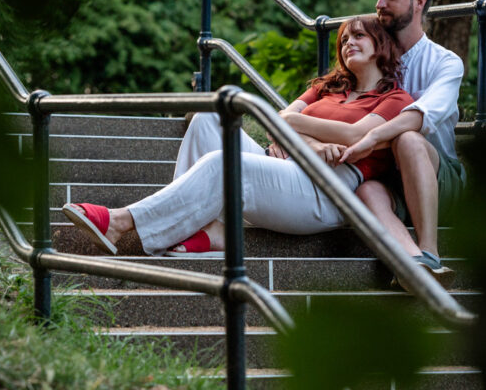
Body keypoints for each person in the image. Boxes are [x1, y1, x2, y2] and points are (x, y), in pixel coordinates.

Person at [62, 16, 413, 257]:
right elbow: (279, 120)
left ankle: (122, 221)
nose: (349, 42)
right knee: (206, 118)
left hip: (330, 191)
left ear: (381, 43)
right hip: (291, 164)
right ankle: (201, 229)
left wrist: (296, 129)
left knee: (221, 164)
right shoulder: (327, 88)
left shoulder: (396, 99)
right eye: (344, 38)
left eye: (358, 35)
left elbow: (354, 135)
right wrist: (310, 144)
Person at [338, 0, 466, 287]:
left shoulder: (445, 62)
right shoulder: (369, 56)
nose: (379, 5)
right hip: (386, 176)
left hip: (440, 177)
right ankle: (410, 264)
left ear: (419, 1)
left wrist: (370, 137)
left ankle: (431, 252)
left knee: (407, 139)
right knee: (365, 188)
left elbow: (418, 117)